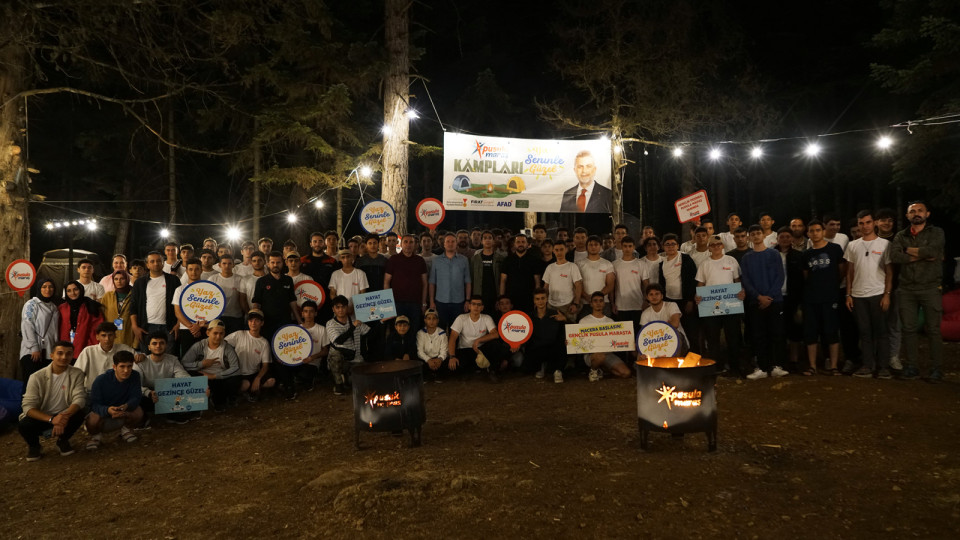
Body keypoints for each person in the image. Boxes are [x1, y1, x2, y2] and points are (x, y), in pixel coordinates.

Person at [888, 201, 945, 382]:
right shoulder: (901, 235)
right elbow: (895, 256)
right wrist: (921, 255)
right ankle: (912, 366)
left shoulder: (936, 232)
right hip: (906, 289)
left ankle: (937, 369)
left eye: (920, 210)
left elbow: (933, 252)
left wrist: (907, 251)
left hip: (930, 287)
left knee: (933, 330)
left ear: (927, 214)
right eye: (912, 211)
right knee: (909, 329)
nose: (916, 213)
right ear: (907, 216)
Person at [844, 210, 893, 379]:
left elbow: (889, 272)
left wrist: (887, 294)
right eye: (861, 223)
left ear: (874, 223)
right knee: (864, 332)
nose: (865, 226)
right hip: (858, 296)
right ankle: (867, 365)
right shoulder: (852, 245)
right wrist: (848, 294)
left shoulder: (885, 244)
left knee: (881, 332)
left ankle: (883, 367)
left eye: (868, 222)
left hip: (878, 293)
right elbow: (849, 272)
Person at [18, 341, 86, 460]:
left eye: (68, 354)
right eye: (60, 353)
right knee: (24, 424)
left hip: (64, 415)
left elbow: (79, 398)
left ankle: (62, 441)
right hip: (43, 417)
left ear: (72, 356)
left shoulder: (77, 373)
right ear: (52, 355)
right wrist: (52, 419)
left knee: (80, 412)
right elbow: (28, 407)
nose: (64, 357)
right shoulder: (36, 377)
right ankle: (34, 446)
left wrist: (63, 417)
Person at [740, 225, 787, 379]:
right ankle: (761, 367)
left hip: (775, 301)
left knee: (776, 334)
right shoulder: (746, 258)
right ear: (749, 237)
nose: (756, 236)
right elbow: (746, 281)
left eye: (758, 233)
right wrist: (759, 297)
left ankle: (776, 366)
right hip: (756, 302)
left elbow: (780, 276)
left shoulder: (774, 254)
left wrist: (769, 297)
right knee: (758, 335)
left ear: (763, 235)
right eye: (753, 234)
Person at [695, 235, 746, 376]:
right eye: (713, 245)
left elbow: (737, 281)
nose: (716, 247)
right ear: (709, 248)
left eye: (718, 244)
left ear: (722, 246)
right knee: (712, 339)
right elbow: (700, 284)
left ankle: (735, 367)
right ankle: (716, 367)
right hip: (710, 308)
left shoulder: (731, 260)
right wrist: (697, 295)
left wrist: (741, 291)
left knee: (733, 337)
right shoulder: (704, 264)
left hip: (731, 305)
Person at [801, 219, 846, 375]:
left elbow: (842, 271)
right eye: (811, 231)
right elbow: (806, 275)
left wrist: (831, 286)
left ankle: (834, 366)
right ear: (808, 234)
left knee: (831, 331)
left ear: (823, 231)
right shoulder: (806, 254)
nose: (815, 233)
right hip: (811, 299)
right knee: (811, 333)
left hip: (830, 297)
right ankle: (812, 366)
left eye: (818, 230)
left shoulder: (835, 249)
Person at [85, 350, 144, 449]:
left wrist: (127, 406)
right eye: (122, 366)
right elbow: (94, 404)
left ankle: (125, 429)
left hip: (123, 411)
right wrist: (108, 410)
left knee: (138, 412)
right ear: (114, 367)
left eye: (129, 366)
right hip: (104, 413)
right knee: (93, 419)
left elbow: (136, 396)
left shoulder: (135, 376)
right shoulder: (100, 380)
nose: (126, 370)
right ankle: (95, 436)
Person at [133, 331, 191, 424]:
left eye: (161, 343)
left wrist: (196, 386)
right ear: (149, 347)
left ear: (166, 345)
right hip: (148, 394)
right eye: (154, 343)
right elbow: (135, 385)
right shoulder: (140, 363)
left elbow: (183, 376)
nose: (158, 346)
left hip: (167, 392)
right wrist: (148, 393)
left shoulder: (173, 360)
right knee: (135, 397)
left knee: (184, 394)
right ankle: (143, 417)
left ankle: (171, 415)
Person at [181, 320, 241, 411]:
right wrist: (202, 364)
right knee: (188, 374)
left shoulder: (227, 348)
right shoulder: (199, 346)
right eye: (215, 333)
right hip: (202, 376)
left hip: (219, 378)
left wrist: (214, 376)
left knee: (235, 379)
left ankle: (221, 399)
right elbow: (184, 363)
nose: (218, 336)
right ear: (208, 333)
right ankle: (198, 400)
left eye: (221, 333)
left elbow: (235, 367)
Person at [130, 251, 182, 354]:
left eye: (159, 261)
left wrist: (178, 324)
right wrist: (135, 326)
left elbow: (181, 304)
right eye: (152, 261)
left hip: (169, 327)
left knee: (169, 358)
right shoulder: (140, 282)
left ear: (163, 263)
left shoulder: (173, 280)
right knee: (147, 358)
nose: (156, 263)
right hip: (146, 327)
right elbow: (133, 306)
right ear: (147, 265)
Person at [75, 321, 143, 395]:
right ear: (97, 337)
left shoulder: (124, 349)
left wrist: (142, 356)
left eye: (110, 335)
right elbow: (77, 373)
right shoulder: (88, 351)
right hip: (92, 392)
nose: (107, 339)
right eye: (103, 335)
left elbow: (138, 359)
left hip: (118, 392)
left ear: (115, 336)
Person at [658, 233, 700, 354]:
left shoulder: (685, 259)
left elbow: (693, 280)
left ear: (678, 245)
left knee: (691, 331)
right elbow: (662, 284)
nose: (670, 246)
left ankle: (695, 357)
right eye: (667, 244)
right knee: (672, 331)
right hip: (670, 301)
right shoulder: (662, 264)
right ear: (663, 246)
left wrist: (690, 300)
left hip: (686, 301)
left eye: (673, 244)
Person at [447, 296, 504, 382]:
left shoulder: (486, 318)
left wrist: (479, 340)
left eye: (479, 305)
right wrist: (452, 356)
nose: (476, 307)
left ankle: (492, 371)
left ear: (482, 307)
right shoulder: (461, 318)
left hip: (481, 350)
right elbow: (452, 337)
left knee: (495, 344)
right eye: (473, 304)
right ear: (469, 306)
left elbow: (495, 334)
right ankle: (475, 369)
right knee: (457, 368)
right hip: (465, 350)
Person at [224, 309, 276, 401]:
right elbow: (222, 343)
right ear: (248, 322)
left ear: (262, 323)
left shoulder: (264, 342)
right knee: (245, 385)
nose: (253, 323)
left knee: (271, 381)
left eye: (257, 320)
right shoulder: (239, 334)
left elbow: (265, 365)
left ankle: (254, 389)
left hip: (254, 373)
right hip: (239, 374)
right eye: (251, 320)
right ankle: (242, 393)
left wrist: (258, 378)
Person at [251, 251, 302, 340]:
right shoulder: (261, 281)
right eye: (272, 262)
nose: (275, 265)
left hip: (285, 321)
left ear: (283, 263)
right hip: (267, 322)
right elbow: (257, 302)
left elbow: (292, 301)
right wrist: (255, 320)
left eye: (278, 262)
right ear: (268, 264)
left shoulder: (288, 280)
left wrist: (299, 321)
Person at [580, 292, 631, 381]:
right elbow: (578, 339)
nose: (598, 303)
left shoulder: (610, 321)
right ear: (591, 304)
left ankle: (602, 369)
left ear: (604, 303)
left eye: (601, 301)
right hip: (591, 354)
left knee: (626, 373)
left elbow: (616, 340)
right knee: (600, 356)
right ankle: (593, 370)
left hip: (608, 354)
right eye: (595, 301)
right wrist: (570, 342)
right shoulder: (584, 321)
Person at [19, 278, 61, 387]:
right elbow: (27, 324)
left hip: (48, 351)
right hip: (32, 352)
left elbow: (54, 331)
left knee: (44, 385)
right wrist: (34, 347)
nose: (48, 289)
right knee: (31, 384)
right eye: (44, 287)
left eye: (51, 287)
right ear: (39, 289)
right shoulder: (32, 304)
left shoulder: (53, 307)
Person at [326, 295, 370, 395]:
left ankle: (346, 378)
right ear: (333, 309)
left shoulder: (355, 321)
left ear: (347, 308)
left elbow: (370, 333)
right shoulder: (330, 323)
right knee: (335, 354)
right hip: (340, 360)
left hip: (355, 359)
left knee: (360, 382)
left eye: (343, 307)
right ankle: (338, 384)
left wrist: (381, 322)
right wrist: (353, 327)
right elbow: (339, 340)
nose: (340, 310)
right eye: (337, 307)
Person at [385, 234, 429, 332]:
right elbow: (386, 282)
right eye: (405, 242)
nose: (408, 245)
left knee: (414, 331)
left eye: (411, 242)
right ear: (401, 244)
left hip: (415, 304)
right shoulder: (393, 259)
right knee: (396, 332)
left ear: (415, 244)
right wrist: (388, 303)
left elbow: (425, 283)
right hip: (396, 303)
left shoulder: (420, 260)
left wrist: (424, 303)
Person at [429, 233, 472, 329]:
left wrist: (467, 300)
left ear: (456, 243)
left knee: (456, 330)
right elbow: (432, 283)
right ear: (444, 244)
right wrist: (431, 301)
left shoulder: (464, 260)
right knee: (440, 330)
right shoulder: (436, 260)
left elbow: (468, 282)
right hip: (440, 302)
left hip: (459, 302)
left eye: (453, 241)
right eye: (448, 241)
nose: (450, 243)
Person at [525, 288, 567, 382]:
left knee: (562, 344)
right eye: (537, 299)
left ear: (547, 299)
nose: (540, 301)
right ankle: (540, 367)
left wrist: (565, 319)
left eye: (543, 298)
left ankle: (558, 371)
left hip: (553, 347)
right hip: (537, 347)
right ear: (534, 301)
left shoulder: (556, 314)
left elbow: (569, 330)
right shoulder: (528, 317)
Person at [58, 280, 103, 359]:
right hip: (65, 346)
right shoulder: (62, 308)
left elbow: (97, 328)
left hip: (85, 345)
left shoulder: (90, 306)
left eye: (75, 289)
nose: (73, 293)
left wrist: (92, 346)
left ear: (81, 290)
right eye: (69, 291)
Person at [172, 258, 208, 357]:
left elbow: (212, 310)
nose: (194, 272)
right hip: (186, 329)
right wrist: (192, 327)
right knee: (187, 359)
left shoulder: (209, 289)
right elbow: (178, 312)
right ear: (186, 271)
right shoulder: (180, 290)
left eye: (197, 269)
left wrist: (199, 326)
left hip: (205, 328)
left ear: (201, 270)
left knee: (205, 358)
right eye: (191, 269)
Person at [639, 283, 689, 352]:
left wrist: (654, 330)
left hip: (676, 340)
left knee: (675, 334)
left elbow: (675, 325)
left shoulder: (672, 305)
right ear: (647, 297)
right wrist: (667, 324)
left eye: (657, 294)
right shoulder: (645, 313)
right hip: (656, 343)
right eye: (651, 294)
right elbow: (644, 334)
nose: (654, 297)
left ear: (662, 296)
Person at [542, 241, 583, 322]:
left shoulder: (572, 266)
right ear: (553, 251)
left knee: (569, 327)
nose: (559, 252)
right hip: (551, 305)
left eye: (561, 249)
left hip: (568, 305)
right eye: (556, 250)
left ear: (566, 250)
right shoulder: (550, 267)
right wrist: (543, 302)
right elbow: (546, 287)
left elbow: (578, 285)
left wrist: (575, 303)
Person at [499, 233, 540, 314]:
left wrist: (537, 299)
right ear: (514, 244)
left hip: (529, 299)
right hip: (511, 299)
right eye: (518, 242)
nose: (520, 244)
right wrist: (501, 298)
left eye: (523, 242)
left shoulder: (534, 260)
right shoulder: (507, 260)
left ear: (527, 244)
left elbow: (537, 281)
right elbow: (503, 280)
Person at [209, 253, 249, 334]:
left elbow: (242, 300)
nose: (227, 266)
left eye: (229, 263)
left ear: (233, 265)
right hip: (218, 316)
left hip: (236, 317)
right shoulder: (212, 279)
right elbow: (208, 299)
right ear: (219, 265)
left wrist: (248, 314)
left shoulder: (240, 279)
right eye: (224, 263)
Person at [577, 235, 615, 318]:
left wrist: (597, 298)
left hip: (603, 302)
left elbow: (610, 285)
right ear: (586, 247)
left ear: (600, 247)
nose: (593, 247)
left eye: (596, 244)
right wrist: (587, 297)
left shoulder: (607, 264)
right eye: (590, 245)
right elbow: (577, 284)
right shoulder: (579, 264)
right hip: (585, 303)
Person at [612, 236, 645, 327]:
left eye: (630, 246)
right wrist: (612, 303)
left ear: (634, 247)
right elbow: (612, 286)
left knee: (637, 332)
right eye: (625, 246)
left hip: (638, 304)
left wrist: (646, 301)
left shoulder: (641, 264)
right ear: (621, 247)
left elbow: (646, 284)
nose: (627, 249)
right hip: (620, 306)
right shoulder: (614, 264)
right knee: (623, 334)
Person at [296, 301, 329, 392]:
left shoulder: (322, 329)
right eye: (306, 311)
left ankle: (308, 379)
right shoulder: (296, 329)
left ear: (315, 313)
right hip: (297, 362)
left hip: (312, 363)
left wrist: (312, 357)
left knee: (305, 374)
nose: (308, 314)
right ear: (302, 314)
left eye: (311, 311)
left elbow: (325, 351)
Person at [100, 270, 136, 349]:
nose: (119, 281)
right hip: (110, 337)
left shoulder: (134, 295)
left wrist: (136, 342)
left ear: (127, 279)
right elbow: (102, 316)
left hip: (129, 335)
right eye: (116, 279)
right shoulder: (108, 296)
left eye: (122, 279)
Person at [416, 309, 448, 381]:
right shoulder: (420, 333)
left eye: (434, 318)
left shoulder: (442, 333)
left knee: (447, 363)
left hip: (438, 359)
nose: (431, 321)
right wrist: (428, 360)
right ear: (425, 320)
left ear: (438, 320)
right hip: (426, 360)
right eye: (429, 318)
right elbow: (420, 351)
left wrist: (440, 359)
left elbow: (444, 350)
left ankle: (436, 373)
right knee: (419, 364)